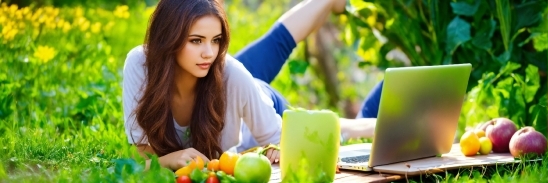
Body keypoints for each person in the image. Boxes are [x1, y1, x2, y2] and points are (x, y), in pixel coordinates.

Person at [123, 0, 379, 171]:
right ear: (168, 38)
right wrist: (168, 160)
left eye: (216, 40)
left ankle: (360, 125)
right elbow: (140, 157)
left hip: (260, 103)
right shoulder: (142, 65)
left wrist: (277, 148)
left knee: (329, 125)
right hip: (222, 86)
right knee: (274, 44)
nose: (209, 52)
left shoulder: (231, 73)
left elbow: (282, 140)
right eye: (196, 40)